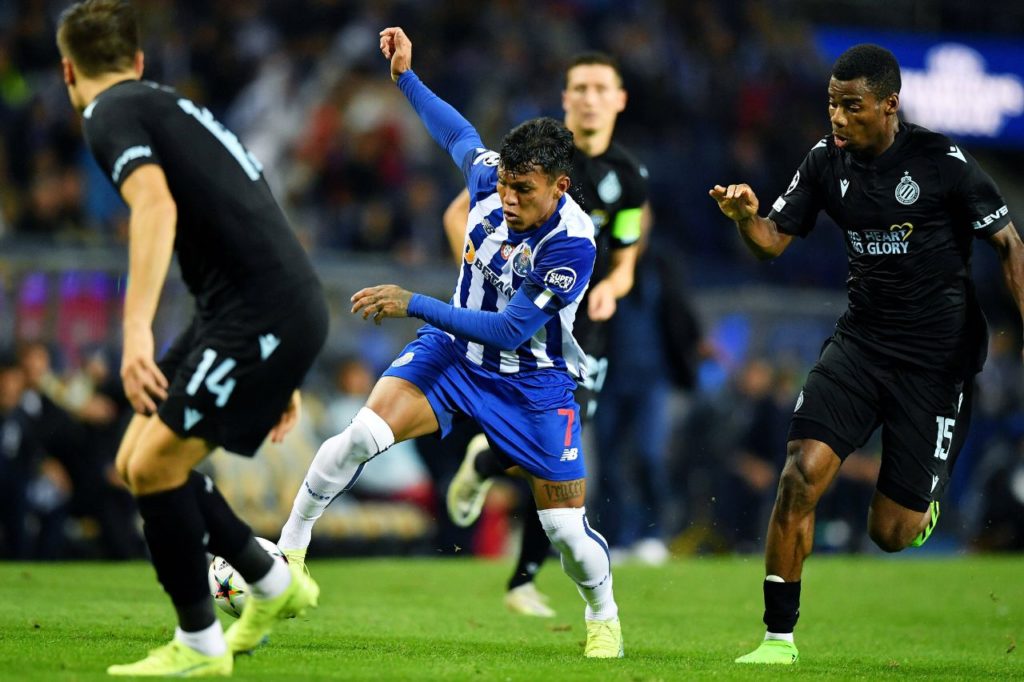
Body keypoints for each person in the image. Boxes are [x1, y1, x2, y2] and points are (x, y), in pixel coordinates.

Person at [278, 26, 624, 658]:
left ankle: (603, 614)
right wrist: (406, 77)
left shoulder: (572, 244)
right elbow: (456, 133)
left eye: (524, 191)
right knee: (362, 435)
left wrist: (414, 302)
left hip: (534, 380)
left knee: (564, 530)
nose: (508, 198)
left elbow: (513, 330)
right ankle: (290, 552)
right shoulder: (492, 179)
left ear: (560, 188)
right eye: (504, 185)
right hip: (455, 356)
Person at [710, 43, 1024, 665]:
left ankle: (919, 508)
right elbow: (773, 242)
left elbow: (1009, 246)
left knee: (892, 532)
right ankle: (778, 639)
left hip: (937, 364)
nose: (838, 118)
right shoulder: (826, 161)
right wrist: (746, 217)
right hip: (860, 343)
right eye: (831, 104)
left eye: (852, 107)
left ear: (888, 105)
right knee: (800, 472)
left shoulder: (943, 163)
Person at [57, 1, 328, 675]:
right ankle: (269, 580)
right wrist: (283, 364)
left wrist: (135, 332)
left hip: (257, 314)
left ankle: (201, 646)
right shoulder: (172, 107)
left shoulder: (109, 113)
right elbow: (252, 212)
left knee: (155, 468)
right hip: (256, 309)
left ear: (68, 70)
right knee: (134, 461)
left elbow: (155, 206)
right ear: (139, 61)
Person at [441, 52, 650, 616]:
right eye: (578, 86)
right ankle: (518, 563)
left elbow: (627, 252)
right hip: (521, 322)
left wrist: (617, 286)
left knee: (562, 449)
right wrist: (486, 271)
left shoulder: (630, 177)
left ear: (619, 99)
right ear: (565, 98)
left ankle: (514, 551)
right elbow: (457, 214)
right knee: (546, 447)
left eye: (600, 87)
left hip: (584, 332)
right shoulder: (535, 158)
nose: (588, 97)